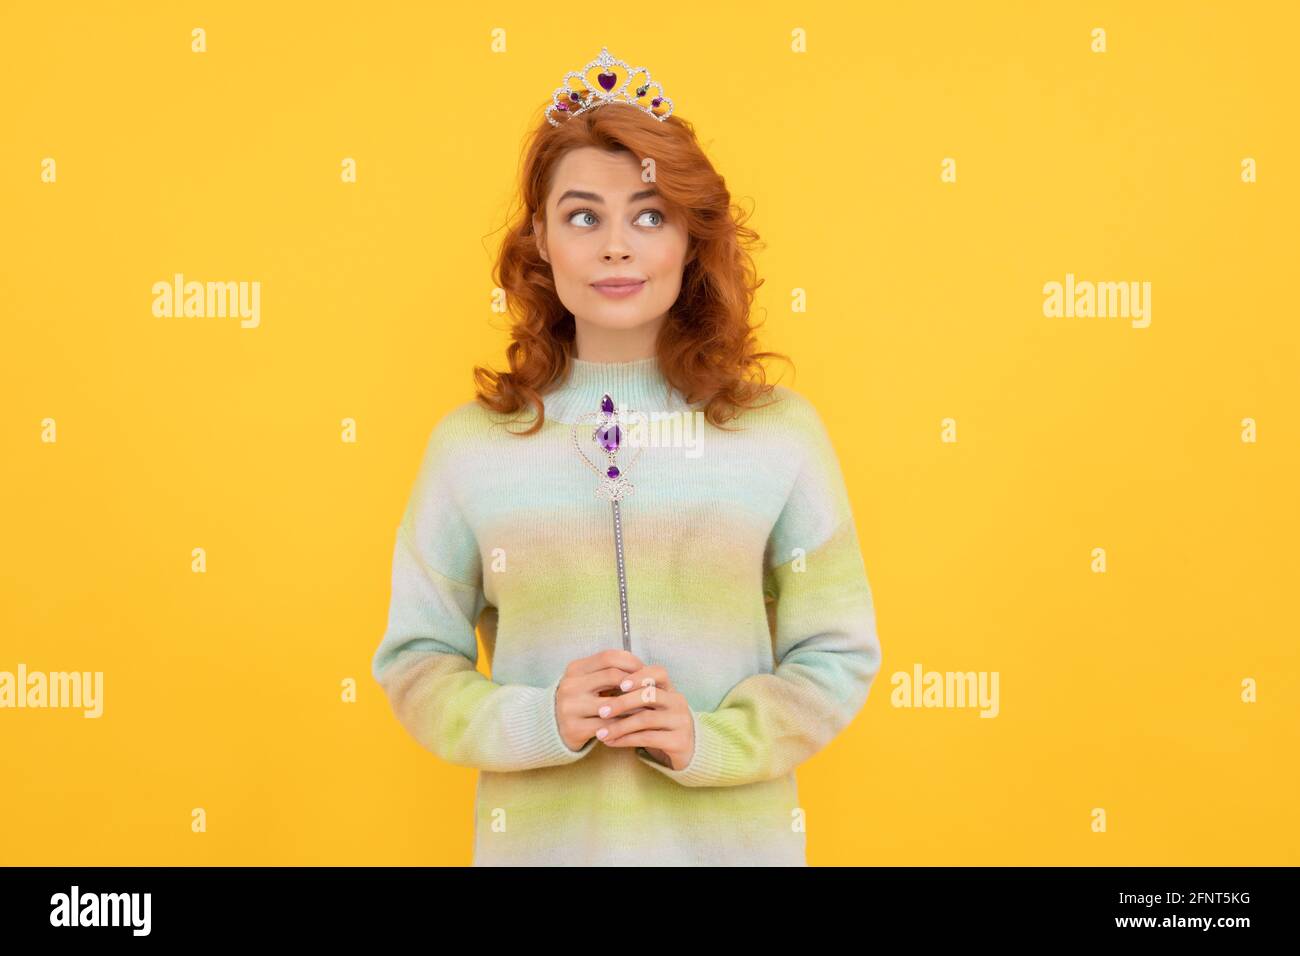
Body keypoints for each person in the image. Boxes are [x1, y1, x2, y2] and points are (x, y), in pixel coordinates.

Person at [371, 47, 882, 865]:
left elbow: (838, 652)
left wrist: (710, 740)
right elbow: (415, 662)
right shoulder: (468, 447)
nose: (617, 247)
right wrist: (540, 719)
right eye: (583, 216)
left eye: (649, 214)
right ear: (540, 239)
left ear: (690, 237)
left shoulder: (780, 434)